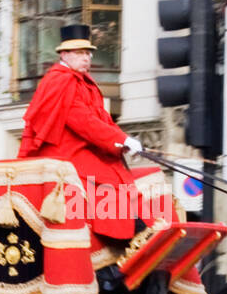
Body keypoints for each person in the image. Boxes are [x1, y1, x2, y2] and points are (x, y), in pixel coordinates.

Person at [18, 24, 143, 243]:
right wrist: (121, 140)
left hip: (82, 148)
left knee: (117, 173)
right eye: (79, 53)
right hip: (63, 152)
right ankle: (115, 238)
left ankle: (130, 229)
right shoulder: (60, 80)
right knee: (106, 179)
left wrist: (124, 142)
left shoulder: (84, 82)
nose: (86, 58)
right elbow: (83, 122)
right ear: (64, 54)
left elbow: (102, 119)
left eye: (88, 53)